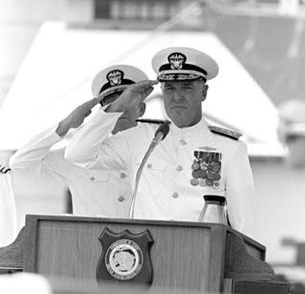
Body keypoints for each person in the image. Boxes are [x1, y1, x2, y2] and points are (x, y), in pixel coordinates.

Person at [65, 47, 255, 237]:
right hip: (146, 257)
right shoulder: (141, 138)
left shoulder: (230, 149)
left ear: (203, 92)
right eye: (170, 88)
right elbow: (77, 155)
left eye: (186, 87)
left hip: (201, 258)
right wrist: (119, 105)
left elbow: (244, 223)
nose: (177, 96)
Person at [2, 64, 149, 218]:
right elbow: (21, 164)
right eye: (113, 105)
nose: (120, 110)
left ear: (141, 108)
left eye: (126, 102)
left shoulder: (158, 147)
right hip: (90, 240)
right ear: (103, 111)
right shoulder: (80, 153)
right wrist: (65, 125)